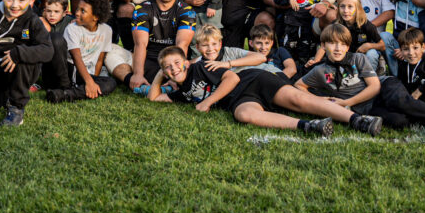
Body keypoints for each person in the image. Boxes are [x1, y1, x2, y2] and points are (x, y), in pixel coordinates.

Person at [149, 45, 367, 138]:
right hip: (238, 100)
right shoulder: (181, 92)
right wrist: (161, 74)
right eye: (168, 67)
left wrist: (208, 102)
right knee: (244, 115)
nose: (173, 68)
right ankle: (310, 126)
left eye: (177, 63)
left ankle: (357, 120)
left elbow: (232, 77)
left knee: (296, 100)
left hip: (250, 81)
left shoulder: (201, 66)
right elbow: (155, 97)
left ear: (186, 62)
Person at [296, 23, 425, 131]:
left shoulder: (358, 58)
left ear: (348, 47)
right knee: (399, 122)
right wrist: (321, 101)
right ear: (323, 46)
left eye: (342, 44)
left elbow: (375, 87)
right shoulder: (320, 71)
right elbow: (298, 86)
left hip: (384, 88)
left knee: (399, 101)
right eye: (332, 43)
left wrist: (347, 102)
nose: (338, 48)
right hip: (368, 107)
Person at [44, 0, 134, 102]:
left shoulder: (106, 30)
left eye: (83, 11)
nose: (76, 13)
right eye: (78, 9)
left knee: (110, 83)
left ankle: (65, 94)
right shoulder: (72, 28)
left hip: (83, 75)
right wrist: (89, 82)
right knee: (56, 38)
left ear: (95, 16)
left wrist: (93, 80)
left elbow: (100, 60)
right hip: (67, 71)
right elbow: (76, 58)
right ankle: (65, 88)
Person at [129, 0, 197, 89]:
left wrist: (176, 74)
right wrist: (138, 74)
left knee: (200, 64)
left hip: (174, 62)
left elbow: (182, 44)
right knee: (113, 54)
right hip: (149, 59)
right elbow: (140, 44)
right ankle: (140, 81)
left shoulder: (187, 10)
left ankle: (154, 85)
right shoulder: (142, 9)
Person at [309, 0, 385, 73]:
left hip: (363, 59)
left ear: (357, 8)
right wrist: (316, 60)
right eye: (342, 6)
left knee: (372, 53)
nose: (345, 10)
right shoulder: (336, 24)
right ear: (337, 7)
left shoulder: (366, 25)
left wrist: (368, 45)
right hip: (345, 58)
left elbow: (382, 45)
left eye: (350, 7)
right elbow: (324, 45)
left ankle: (371, 77)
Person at [272, 0, 325, 66]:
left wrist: (319, 5)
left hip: (308, 24)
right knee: (288, 49)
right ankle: (285, 70)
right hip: (291, 24)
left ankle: (303, 71)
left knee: (305, 50)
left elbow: (322, 3)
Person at [380, 0, 421, 77]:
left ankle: (414, 74)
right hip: (401, 44)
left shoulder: (416, 1)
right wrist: (400, 49)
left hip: (415, 44)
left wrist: (406, 49)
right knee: (384, 35)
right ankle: (396, 75)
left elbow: (424, 30)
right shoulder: (395, 3)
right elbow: (396, 31)